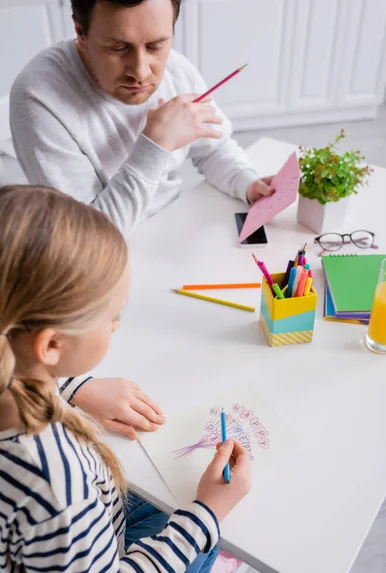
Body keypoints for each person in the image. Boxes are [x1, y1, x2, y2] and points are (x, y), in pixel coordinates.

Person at [10, 0, 275, 448]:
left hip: (172, 252)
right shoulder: (39, 96)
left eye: (157, 45)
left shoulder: (178, 71)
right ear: (79, 28)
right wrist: (154, 143)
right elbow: (91, 243)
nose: (142, 71)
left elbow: (215, 148)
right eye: (117, 48)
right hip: (103, 280)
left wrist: (247, 182)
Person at [0, 184, 252, 573]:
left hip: (67, 547)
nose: (117, 324)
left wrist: (74, 385)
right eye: (112, 315)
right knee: (206, 525)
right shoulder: (56, 485)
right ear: (50, 345)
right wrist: (207, 514)